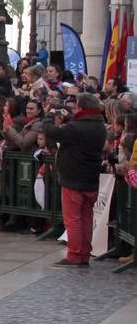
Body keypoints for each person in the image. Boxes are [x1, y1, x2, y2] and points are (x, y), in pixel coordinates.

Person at [43, 94, 108, 267]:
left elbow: (50, 131)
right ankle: (84, 253)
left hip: (73, 178)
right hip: (91, 178)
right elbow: (80, 126)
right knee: (86, 218)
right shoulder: (100, 125)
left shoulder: (76, 128)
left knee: (73, 219)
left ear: (81, 107)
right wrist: (69, 117)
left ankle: (74, 255)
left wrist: (50, 115)